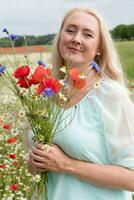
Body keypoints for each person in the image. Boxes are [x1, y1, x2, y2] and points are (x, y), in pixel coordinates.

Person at [27, 7, 134, 200]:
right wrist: (35, 162)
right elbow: (36, 167)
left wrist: (66, 164)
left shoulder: (110, 95)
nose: (76, 38)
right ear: (60, 37)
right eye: (70, 30)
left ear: (99, 47)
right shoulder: (47, 92)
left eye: (88, 34)